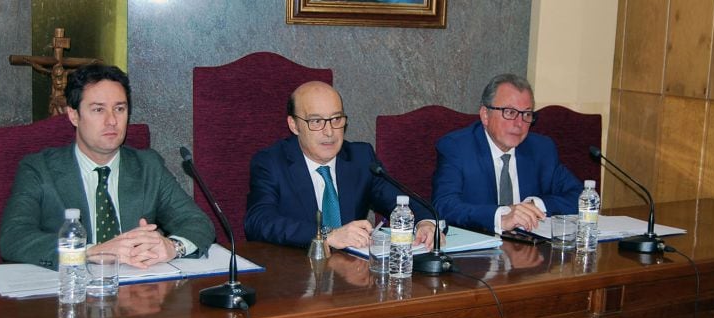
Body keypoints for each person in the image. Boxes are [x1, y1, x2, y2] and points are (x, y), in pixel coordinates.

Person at [0, 64, 216, 269]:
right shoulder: (38, 169)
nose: (112, 120)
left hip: (139, 293)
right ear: (74, 115)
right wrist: (91, 252)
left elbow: (198, 222)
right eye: (98, 110)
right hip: (68, 294)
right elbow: (14, 237)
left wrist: (171, 247)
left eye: (119, 109)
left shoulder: (148, 165)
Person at [244, 81, 437, 250]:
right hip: (297, 275)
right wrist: (327, 235)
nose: (329, 132)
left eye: (336, 119)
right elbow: (258, 221)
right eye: (316, 121)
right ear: (294, 125)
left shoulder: (360, 158)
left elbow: (402, 201)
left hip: (353, 275)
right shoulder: (271, 162)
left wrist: (425, 223)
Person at [432, 73, 582, 234]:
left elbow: (581, 197)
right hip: (478, 251)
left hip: (530, 251)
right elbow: (444, 205)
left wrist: (535, 205)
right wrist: (501, 217)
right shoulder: (457, 147)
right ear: (485, 115)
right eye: (510, 112)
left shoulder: (541, 149)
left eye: (526, 114)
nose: (519, 124)